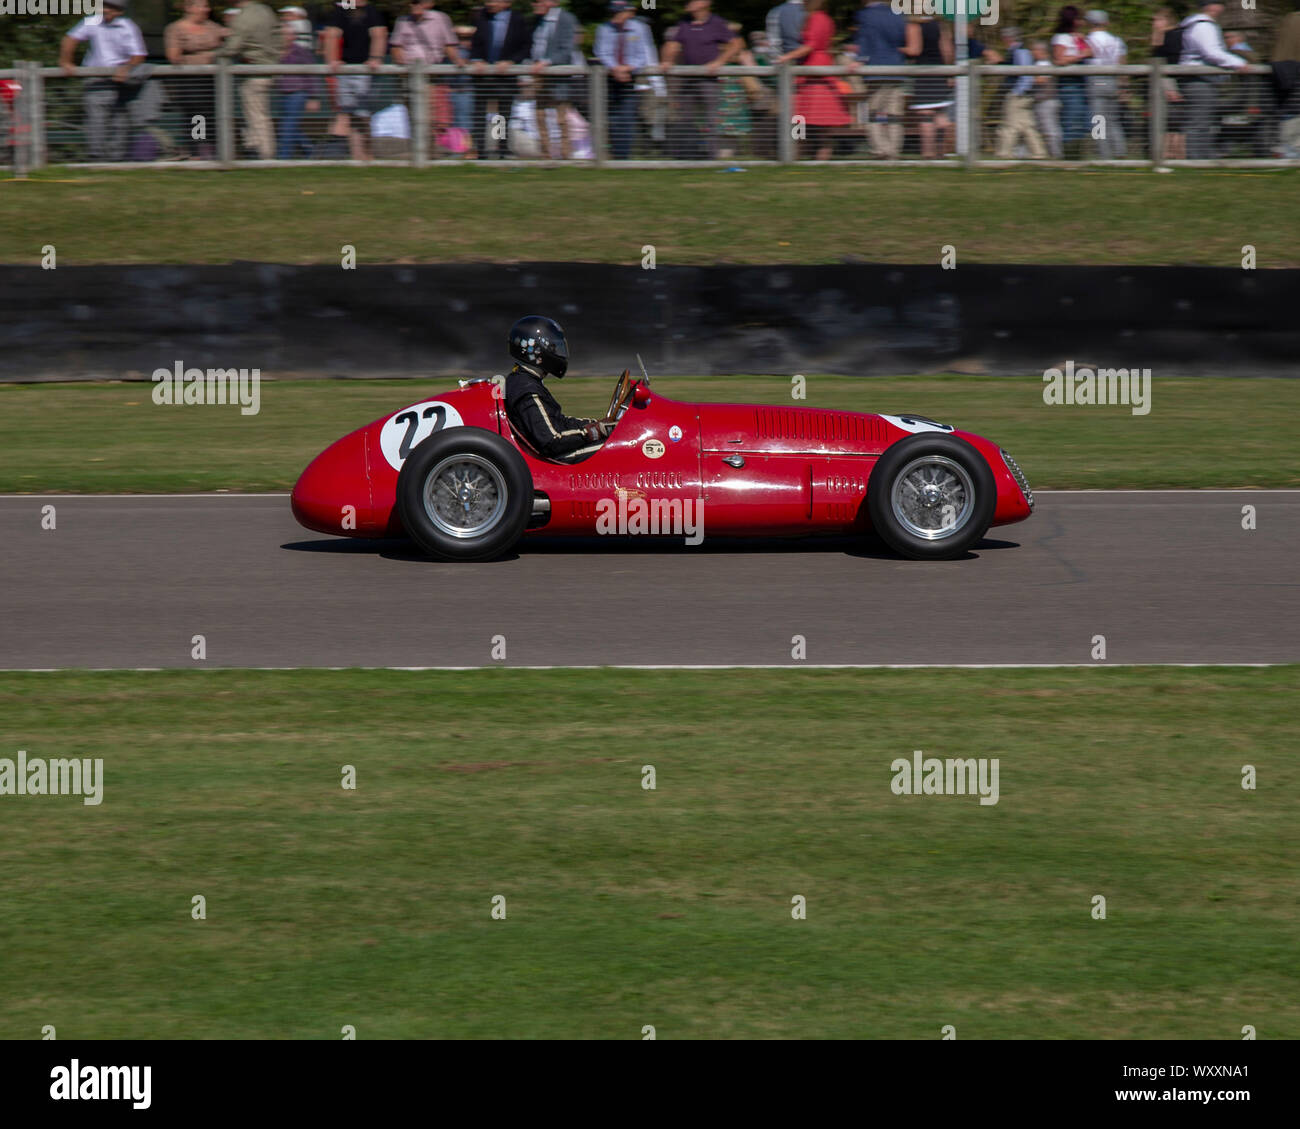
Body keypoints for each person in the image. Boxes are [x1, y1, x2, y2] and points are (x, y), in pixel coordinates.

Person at [504, 316, 611, 464]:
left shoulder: (524, 380)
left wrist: (597, 424)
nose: (558, 353)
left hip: (555, 452)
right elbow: (551, 441)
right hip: (555, 459)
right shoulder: (527, 390)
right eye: (553, 348)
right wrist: (592, 432)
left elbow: (559, 422)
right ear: (537, 352)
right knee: (627, 444)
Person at [59, 0, 147, 162]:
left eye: (111, 7)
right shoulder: (92, 21)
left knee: (119, 120)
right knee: (96, 117)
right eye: (104, 6)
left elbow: (138, 55)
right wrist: (66, 61)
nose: (106, 10)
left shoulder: (128, 25)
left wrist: (126, 68)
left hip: (122, 79)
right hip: (96, 77)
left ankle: (116, 159)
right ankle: (96, 157)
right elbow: (70, 39)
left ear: (120, 11)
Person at [661, 0, 743, 159]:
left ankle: (711, 158)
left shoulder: (717, 23)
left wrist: (719, 61)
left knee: (711, 119)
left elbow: (737, 43)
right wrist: (667, 59)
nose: (688, 4)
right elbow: (671, 44)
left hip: (709, 79)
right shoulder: (683, 23)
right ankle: (687, 157)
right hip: (687, 78)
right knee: (685, 118)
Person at [776, 0, 850, 161]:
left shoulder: (816, 18)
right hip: (817, 68)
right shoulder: (825, 18)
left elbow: (811, 45)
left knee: (803, 117)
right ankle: (813, 157)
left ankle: (798, 155)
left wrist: (786, 57)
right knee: (814, 119)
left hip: (813, 71)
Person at [391, 0, 465, 156]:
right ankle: (419, 155)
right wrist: (402, 63)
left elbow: (449, 44)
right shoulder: (402, 21)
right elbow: (396, 47)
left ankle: (431, 154)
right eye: (412, 3)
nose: (415, 6)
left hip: (432, 75)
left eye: (418, 2)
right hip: (410, 76)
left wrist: (457, 60)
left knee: (433, 118)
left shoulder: (440, 19)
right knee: (415, 117)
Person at [322, 0, 389, 162]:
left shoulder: (370, 10)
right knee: (349, 114)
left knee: (363, 115)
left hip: (365, 70)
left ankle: (368, 154)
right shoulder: (344, 8)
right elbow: (332, 34)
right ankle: (356, 156)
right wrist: (332, 61)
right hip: (345, 70)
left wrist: (375, 58)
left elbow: (379, 34)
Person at [1178, 1, 1245, 160]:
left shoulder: (1196, 24)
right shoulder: (1204, 26)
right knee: (1199, 122)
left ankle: (1203, 157)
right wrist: (1238, 63)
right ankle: (1196, 160)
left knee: (1204, 121)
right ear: (1213, 6)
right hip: (1199, 80)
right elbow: (1211, 52)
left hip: (1201, 80)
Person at [216, 0, 280, 160]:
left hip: (255, 71)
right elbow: (279, 37)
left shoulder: (242, 18)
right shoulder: (267, 10)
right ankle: (256, 150)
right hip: (270, 69)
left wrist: (216, 52)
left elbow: (231, 48)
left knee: (257, 116)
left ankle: (265, 156)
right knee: (259, 114)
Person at [854, 0, 917, 160]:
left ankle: (881, 149)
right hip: (896, 69)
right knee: (894, 113)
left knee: (873, 112)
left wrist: (860, 59)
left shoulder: (866, 15)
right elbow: (902, 39)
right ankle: (894, 150)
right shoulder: (898, 15)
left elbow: (865, 39)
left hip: (876, 70)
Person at [470, 0, 533, 158]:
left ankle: (501, 150)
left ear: (507, 3)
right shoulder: (483, 17)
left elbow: (526, 47)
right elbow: (476, 44)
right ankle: (481, 151)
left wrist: (511, 61)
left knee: (502, 115)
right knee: (480, 113)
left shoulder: (518, 19)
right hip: (484, 75)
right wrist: (476, 59)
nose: (489, 4)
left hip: (506, 76)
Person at [164, 0, 226, 159]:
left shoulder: (213, 27)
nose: (206, 9)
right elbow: (174, 56)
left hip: (212, 80)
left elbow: (227, 45)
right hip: (190, 81)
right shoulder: (176, 29)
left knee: (212, 115)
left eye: (207, 6)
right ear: (189, 8)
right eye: (202, 6)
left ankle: (213, 152)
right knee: (197, 116)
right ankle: (198, 151)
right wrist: (207, 55)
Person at [595, 1, 654, 159]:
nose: (616, 17)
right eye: (614, 13)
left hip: (631, 77)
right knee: (612, 117)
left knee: (627, 116)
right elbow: (602, 52)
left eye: (620, 12)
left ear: (629, 12)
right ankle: (613, 154)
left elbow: (642, 55)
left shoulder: (639, 29)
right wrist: (616, 68)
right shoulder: (604, 29)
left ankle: (624, 156)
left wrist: (628, 68)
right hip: (610, 77)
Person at [529, 0, 581, 160]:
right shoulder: (537, 21)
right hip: (539, 76)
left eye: (538, 1)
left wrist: (546, 61)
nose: (534, 4)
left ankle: (566, 155)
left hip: (559, 77)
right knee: (539, 115)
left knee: (562, 117)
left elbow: (567, 50)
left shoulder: (566, 19)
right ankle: (546, 153)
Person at [995, 27, 1046, 159]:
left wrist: (1019, 92)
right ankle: (1039, 153)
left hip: (1018, 95)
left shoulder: (1019, 52)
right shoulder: (1018, 52)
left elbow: (1026, 74)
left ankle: (1004, 153)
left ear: (1007, 38)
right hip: (1025, 94)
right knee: (1027, 125)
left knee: (1010, 124)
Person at [1050, 5, 1092, 160]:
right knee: (1071, 121)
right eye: (1079, 19)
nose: (1082, 22)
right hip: (1070, 85)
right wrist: (1080, 56)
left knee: (1087, 121)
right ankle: (1070, 158)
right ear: (1073, 20)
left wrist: (1082, 44)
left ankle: (1082, 156)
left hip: (1082, 84)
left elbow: (1090, 52)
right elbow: (1059, 59)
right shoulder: (1061, 38)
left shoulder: (1077, 37)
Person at [276, 15, 321, 158]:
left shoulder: (301, 52)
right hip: (283, 93)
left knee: (288, 124)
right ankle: (311, 150)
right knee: (289, 124)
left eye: (289, 34)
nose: (286, 37)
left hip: (298, 92)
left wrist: (313, 97)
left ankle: (284, 157)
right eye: (283, 34)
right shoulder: (276, 52)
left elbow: (312, 75)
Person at [1084, 10, 1126, 159]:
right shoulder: (1116, 40)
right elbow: (1122, 62)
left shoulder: (1088, 40)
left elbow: (1085, 54)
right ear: (1106, 23)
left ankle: (1104, 155)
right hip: (1112, 81)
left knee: (1098, 121)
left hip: (1096, 82)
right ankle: (1120, 151)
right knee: (1113, 119)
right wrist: (1123, 86)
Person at [911, 13, 953, 159]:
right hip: (940, 72)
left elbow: (914, 50)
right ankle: (941, 151)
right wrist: (949, 73)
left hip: (923, 74)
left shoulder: (915, 26)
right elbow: (947, 51)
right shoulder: (940, 26)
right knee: (941, 114)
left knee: (925, 116)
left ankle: (928, 152)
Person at [1151, 6, 1187, 160]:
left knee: (1174, 122)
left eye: (1157, 20)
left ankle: (1174, 155)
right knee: (1169, 121)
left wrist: (1171, 88)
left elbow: (1170, 62)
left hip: (1173, 84)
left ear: (1167, 20)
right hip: (1166, 83)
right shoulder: (1163, 36)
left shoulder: (1173, 36)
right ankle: (1167, 156)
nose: (1154, 24)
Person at [1029, 38, 1062, 158]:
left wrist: (1027, 79)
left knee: (1050, 130)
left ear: (1041, 50)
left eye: (1034, 49)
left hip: (1047, 102)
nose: (1032, 52)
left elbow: (1041, 80)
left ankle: (1056, 155)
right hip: (1042, 102)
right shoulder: (1039, 63)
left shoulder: (1044, 64)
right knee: (1041, 129)